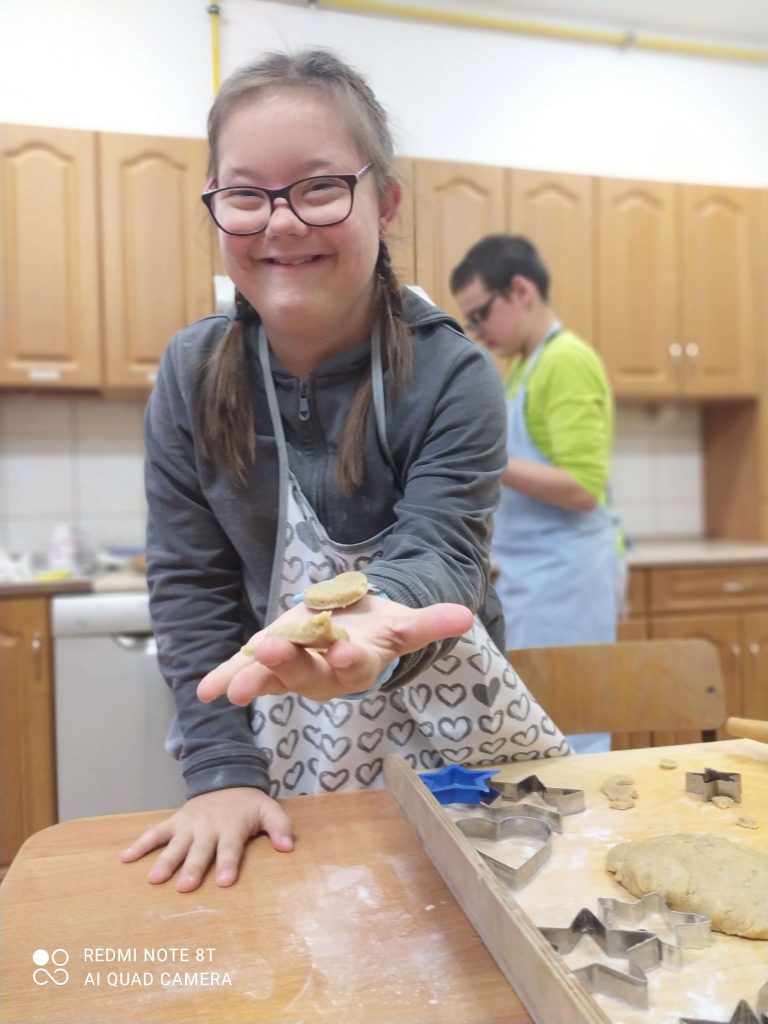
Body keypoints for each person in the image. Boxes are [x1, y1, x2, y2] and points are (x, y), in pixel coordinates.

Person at [121, 51, 569, 893]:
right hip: (286, 753)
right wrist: (222, 775)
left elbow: (445, 548)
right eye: (247, 194)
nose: (280, 223)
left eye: (319, 188)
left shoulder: (452, 373)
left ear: (386, 202)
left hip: (454, 745)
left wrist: (384, 618)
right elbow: (192, 589)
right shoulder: (189, 375)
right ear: (216, 207)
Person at [450, 235, 624, 753]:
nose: (478, 332)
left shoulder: (565, 361)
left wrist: (486, 455)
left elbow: (583, 489)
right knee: (540, 728)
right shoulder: (525, 366)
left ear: (520, 290)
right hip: (537, 576)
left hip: (568, 579)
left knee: (573, 731)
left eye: (480, 314)